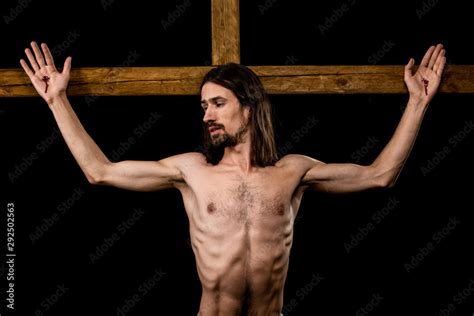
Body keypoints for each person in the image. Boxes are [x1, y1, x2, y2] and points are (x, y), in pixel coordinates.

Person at [20, 41, 446, 315]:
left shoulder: (294, 171)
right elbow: (100, 171)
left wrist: (418, 103)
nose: (206, 115)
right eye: (203, 106)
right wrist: (57, 100)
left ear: (248, 106)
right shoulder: (191, 171)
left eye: (217, 103)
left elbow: (380, 175)